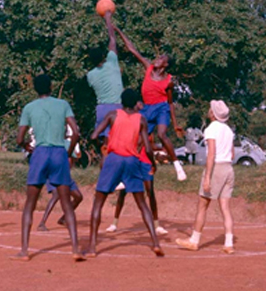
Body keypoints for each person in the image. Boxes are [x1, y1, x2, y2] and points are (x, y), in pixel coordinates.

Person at [12, 74, 85, 262]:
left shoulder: (29, 107)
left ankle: (24, 250)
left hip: (40, 153)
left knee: (30, 203)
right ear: (51, 87)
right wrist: (67, 153)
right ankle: (76, 248)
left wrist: (26, 146)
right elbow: (75, 132)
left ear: (35, 89)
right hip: (59, 153)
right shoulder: (63, 105)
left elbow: (20, 138)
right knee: (67, 204)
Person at [88, 89, 164, 257]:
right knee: (142, 203)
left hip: (114, 158)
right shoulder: (141, 119)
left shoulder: (113, 115)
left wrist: (103, 146)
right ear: (136, 102)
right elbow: (148, 147)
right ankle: (155, 243)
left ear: (122, 102)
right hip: (132, 161)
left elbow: (94, 135)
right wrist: (152, 163)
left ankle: (92, 246)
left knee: (98, 201)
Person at [113, 25, 187, 181]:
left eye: (161, 59)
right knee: (138, 139)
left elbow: (170, 103)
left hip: (161, 108)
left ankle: (177, 166)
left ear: (165, 65)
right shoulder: (149, 68)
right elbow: (133, 50)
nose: (157, 59)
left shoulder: (169, 82)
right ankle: (127, 175)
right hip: (147, 109)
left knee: (161, 134)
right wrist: (118, 30)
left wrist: (175, 124)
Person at [176, 100, 235, 254]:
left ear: (213, 114)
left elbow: (211, 155)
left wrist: (208, 177)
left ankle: (194, 240)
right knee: (225, 207)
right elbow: (232, 153)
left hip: (216, 167)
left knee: (202, 206)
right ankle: (229, 243)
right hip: (228, 168)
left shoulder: (211, 129)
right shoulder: (229, 130)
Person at [105, 102, 168, 236]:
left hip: (144, 162)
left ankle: (156, 224)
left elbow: (149, 146)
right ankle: (114, 223)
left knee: (150, 192)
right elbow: (139, 144)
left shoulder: (147, 130)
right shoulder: (137, 126)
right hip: (135, 162)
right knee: (123, 193)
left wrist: (160, 150)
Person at [87, 11, 124, 158]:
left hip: (101, 108)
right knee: (119, 144)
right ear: (104, 56)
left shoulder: (90, 75)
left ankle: (105, 177)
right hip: (117, 107)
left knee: (105, 145)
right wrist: (108, 20)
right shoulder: (112, 62)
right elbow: (112, 41)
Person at [37, 124, 83, 232]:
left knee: (78, 197)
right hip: (53, 173)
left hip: (65, 175)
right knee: (56, 194)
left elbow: (77, 156)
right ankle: (42, 223)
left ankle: (63, 218)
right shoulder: (53, 144)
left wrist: (76, 146)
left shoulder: (68, 143)